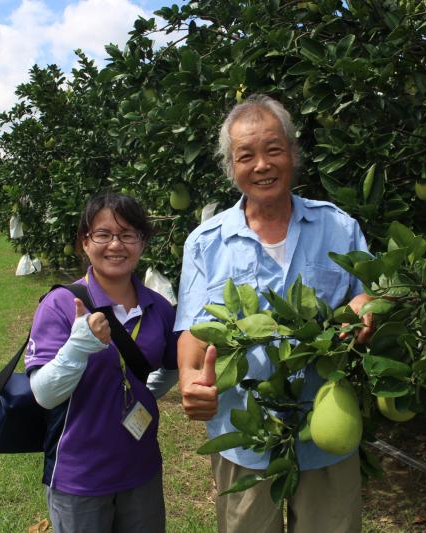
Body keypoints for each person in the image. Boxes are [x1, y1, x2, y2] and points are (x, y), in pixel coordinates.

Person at [175, 95, 375, 533]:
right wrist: (190, 379)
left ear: (293, 154)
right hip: (244, 430)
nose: (262, 165)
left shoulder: (338, 227)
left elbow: (367, 297)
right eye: (246, 155)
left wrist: (366, 306)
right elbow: (192, 327)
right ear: (232, 167)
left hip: (326, 426)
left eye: (273, 150)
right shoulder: (206, 242)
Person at [24, 192, 179, 533]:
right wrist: (78, 347)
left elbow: (173, 363)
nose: (116, 245)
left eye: (128, 235)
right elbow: (43, 394)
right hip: (79, 475)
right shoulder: (60, 304)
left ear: (143, 242)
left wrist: (145, 391)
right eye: (104, 234)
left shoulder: (159, 308)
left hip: (141, 468)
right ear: (84, 242)